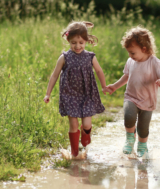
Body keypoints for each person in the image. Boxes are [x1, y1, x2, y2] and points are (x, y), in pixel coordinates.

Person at [43, 21, 110, 158]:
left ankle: (86, 134)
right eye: (73, 43)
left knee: (86, 124)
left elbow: (98, 70)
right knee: (73, 125)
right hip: (70, 95)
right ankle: (74, 153)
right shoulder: (64, 57)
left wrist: (104, 86)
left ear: (86, 41)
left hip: (87, 94)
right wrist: (47, 93)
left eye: (81, 42)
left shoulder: (90, 56)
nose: (77, 46)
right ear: (68, 40)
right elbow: (54, 75)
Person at [106, 25, 160, 157]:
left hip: (148, 101)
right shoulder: (130, 61)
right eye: (128, 52)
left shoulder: (154, 62)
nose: (130, 55)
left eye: (132, 52)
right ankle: (129, 139)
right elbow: (126, 76)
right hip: (131, 97)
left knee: (143, 128)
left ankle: (142, 145)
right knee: (128, 117)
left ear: (144, 49)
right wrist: (115, 86)